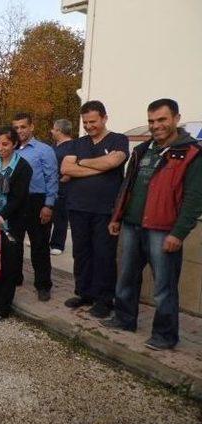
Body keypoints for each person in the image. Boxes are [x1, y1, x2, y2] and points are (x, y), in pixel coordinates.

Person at [102, 99, 202, 350]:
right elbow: (128, 186)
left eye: (162, 119)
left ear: (176, 119)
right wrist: (117, 216)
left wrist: (178, 233)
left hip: (163, 229)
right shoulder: (143, 150)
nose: (156, 125)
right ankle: (125, 319)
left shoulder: (191, 153)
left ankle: (165, 336)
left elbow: (194, 199)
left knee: (163, 287)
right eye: (151, 121)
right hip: (131, 225)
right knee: (126, 277)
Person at [60, 101, 129, 318]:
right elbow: (65, 168)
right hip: (78, 207)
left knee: (104, 255)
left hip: (105, 210)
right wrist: (101, 166)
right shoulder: (77, 143)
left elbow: (114, 162)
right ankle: (84, 293)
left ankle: (104, 299)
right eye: (85, 122)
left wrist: (82, 163)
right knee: (81, 253)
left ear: (104, 118)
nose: (89, 126)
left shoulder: (118, 139)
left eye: (93, 121)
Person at [0, 126, 32, 321]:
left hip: (11, 223)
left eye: (6, 144)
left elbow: (18, 198)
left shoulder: (23, 167)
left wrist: (2, 215)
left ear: (15, 144)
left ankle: (1, 307)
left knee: (8, 265)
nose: (1, 148)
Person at [12, 112, 58, 301]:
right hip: (16, 202)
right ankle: (16, 277)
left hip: (37, 202)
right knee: (14, 243)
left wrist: (48, 205)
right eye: (16, 127)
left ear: (32, 127)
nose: (19, 131)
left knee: (39, 245)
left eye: (23, 127)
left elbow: (52, 178)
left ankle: (43, 285)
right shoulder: (10, 148)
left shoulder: (44, 150)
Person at [49, 119, 74, 255]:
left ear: (59, 130)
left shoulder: (71, 146)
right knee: (47, 213)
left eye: (53, 129)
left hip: (62, 186)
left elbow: (72, 166)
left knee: (60, 216)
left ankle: (57, 244)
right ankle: (45, 238)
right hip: (50, 185)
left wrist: (64, 179)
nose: (51, 131)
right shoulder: (54, 146)